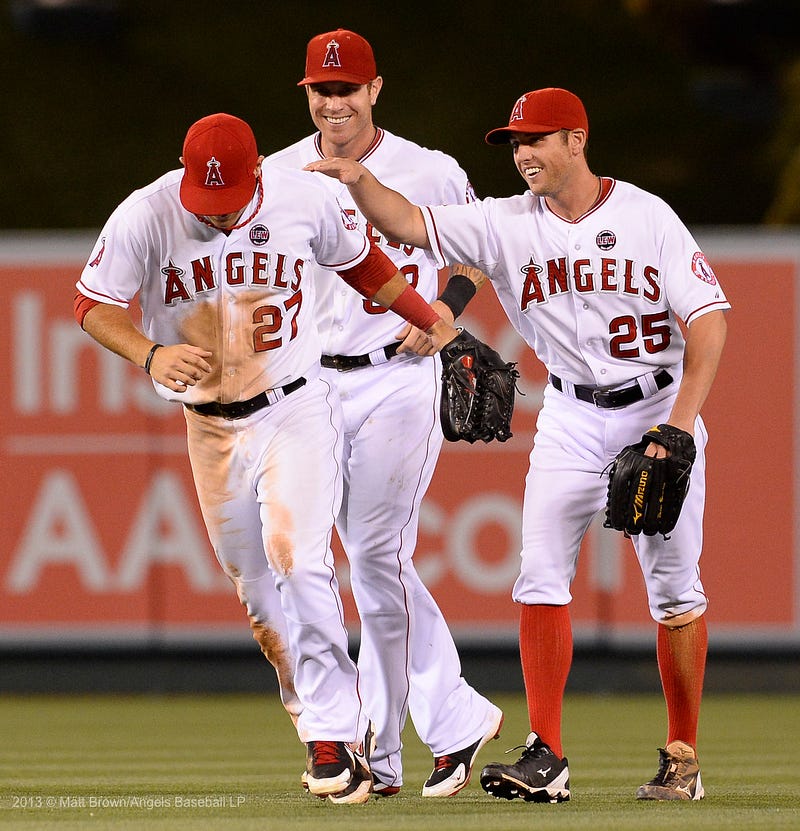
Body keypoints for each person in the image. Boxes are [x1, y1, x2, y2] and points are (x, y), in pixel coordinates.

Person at [303, 86, 730, 803]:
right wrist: (361, 181)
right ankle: (547, 753)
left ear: (576, 140)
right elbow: (409, 222)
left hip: (655, 404)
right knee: (538, 575)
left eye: (537, 139)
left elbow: (710, 321)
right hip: (567, 411)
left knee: (676, 591)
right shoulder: (504, 223)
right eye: (514, 143)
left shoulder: (646, 216)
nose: (524, 154)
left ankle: (682, 757)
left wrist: (680, 422)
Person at [73, 112, 460, 805]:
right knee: (257, 593)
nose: (217, 218)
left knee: (301, 559)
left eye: (228, 204)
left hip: (295, 405)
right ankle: (320, 723)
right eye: (205, 203)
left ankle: (335, 738)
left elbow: (367, 267)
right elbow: (93, 304)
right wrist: (151, 352)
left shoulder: (299, 196)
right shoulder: (148, 212)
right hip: (210, 426)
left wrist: (435, 321)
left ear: (257, 172)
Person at [264, 29, 503, 798]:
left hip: (399, 375)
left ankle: (387, 753)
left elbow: (478, 252)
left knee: (372, 555)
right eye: (321, 90)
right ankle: (458, 716)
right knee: (344, 559)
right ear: (306, 94)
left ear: (375, 90)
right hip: (313, 387)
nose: (334, 101)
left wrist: (443, 306)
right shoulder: (277, 173)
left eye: (348, 88)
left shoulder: (428, 171)